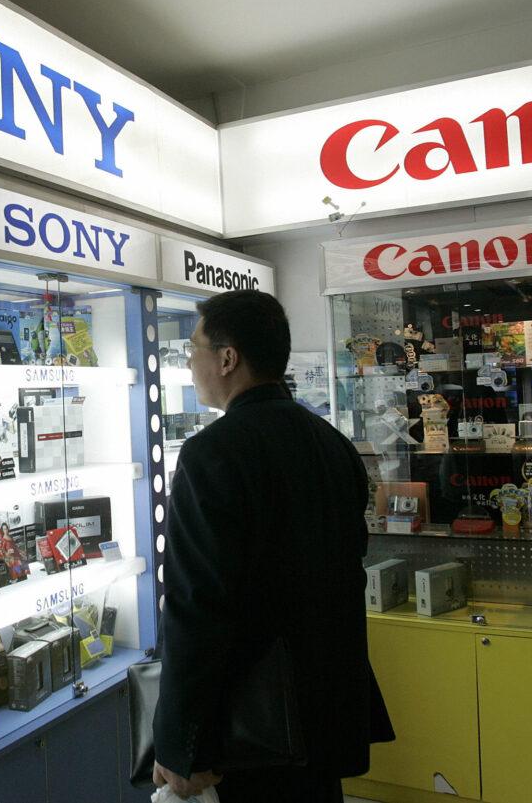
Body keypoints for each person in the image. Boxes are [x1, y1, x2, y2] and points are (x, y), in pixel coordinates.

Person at [152, 290, 393, 802]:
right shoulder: (331, 443)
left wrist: (182, 745)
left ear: (227, 358)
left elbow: (199, 607)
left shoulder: (209, 455)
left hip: (250, 728)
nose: (189, 362)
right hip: (325, 713)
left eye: (192, 348)